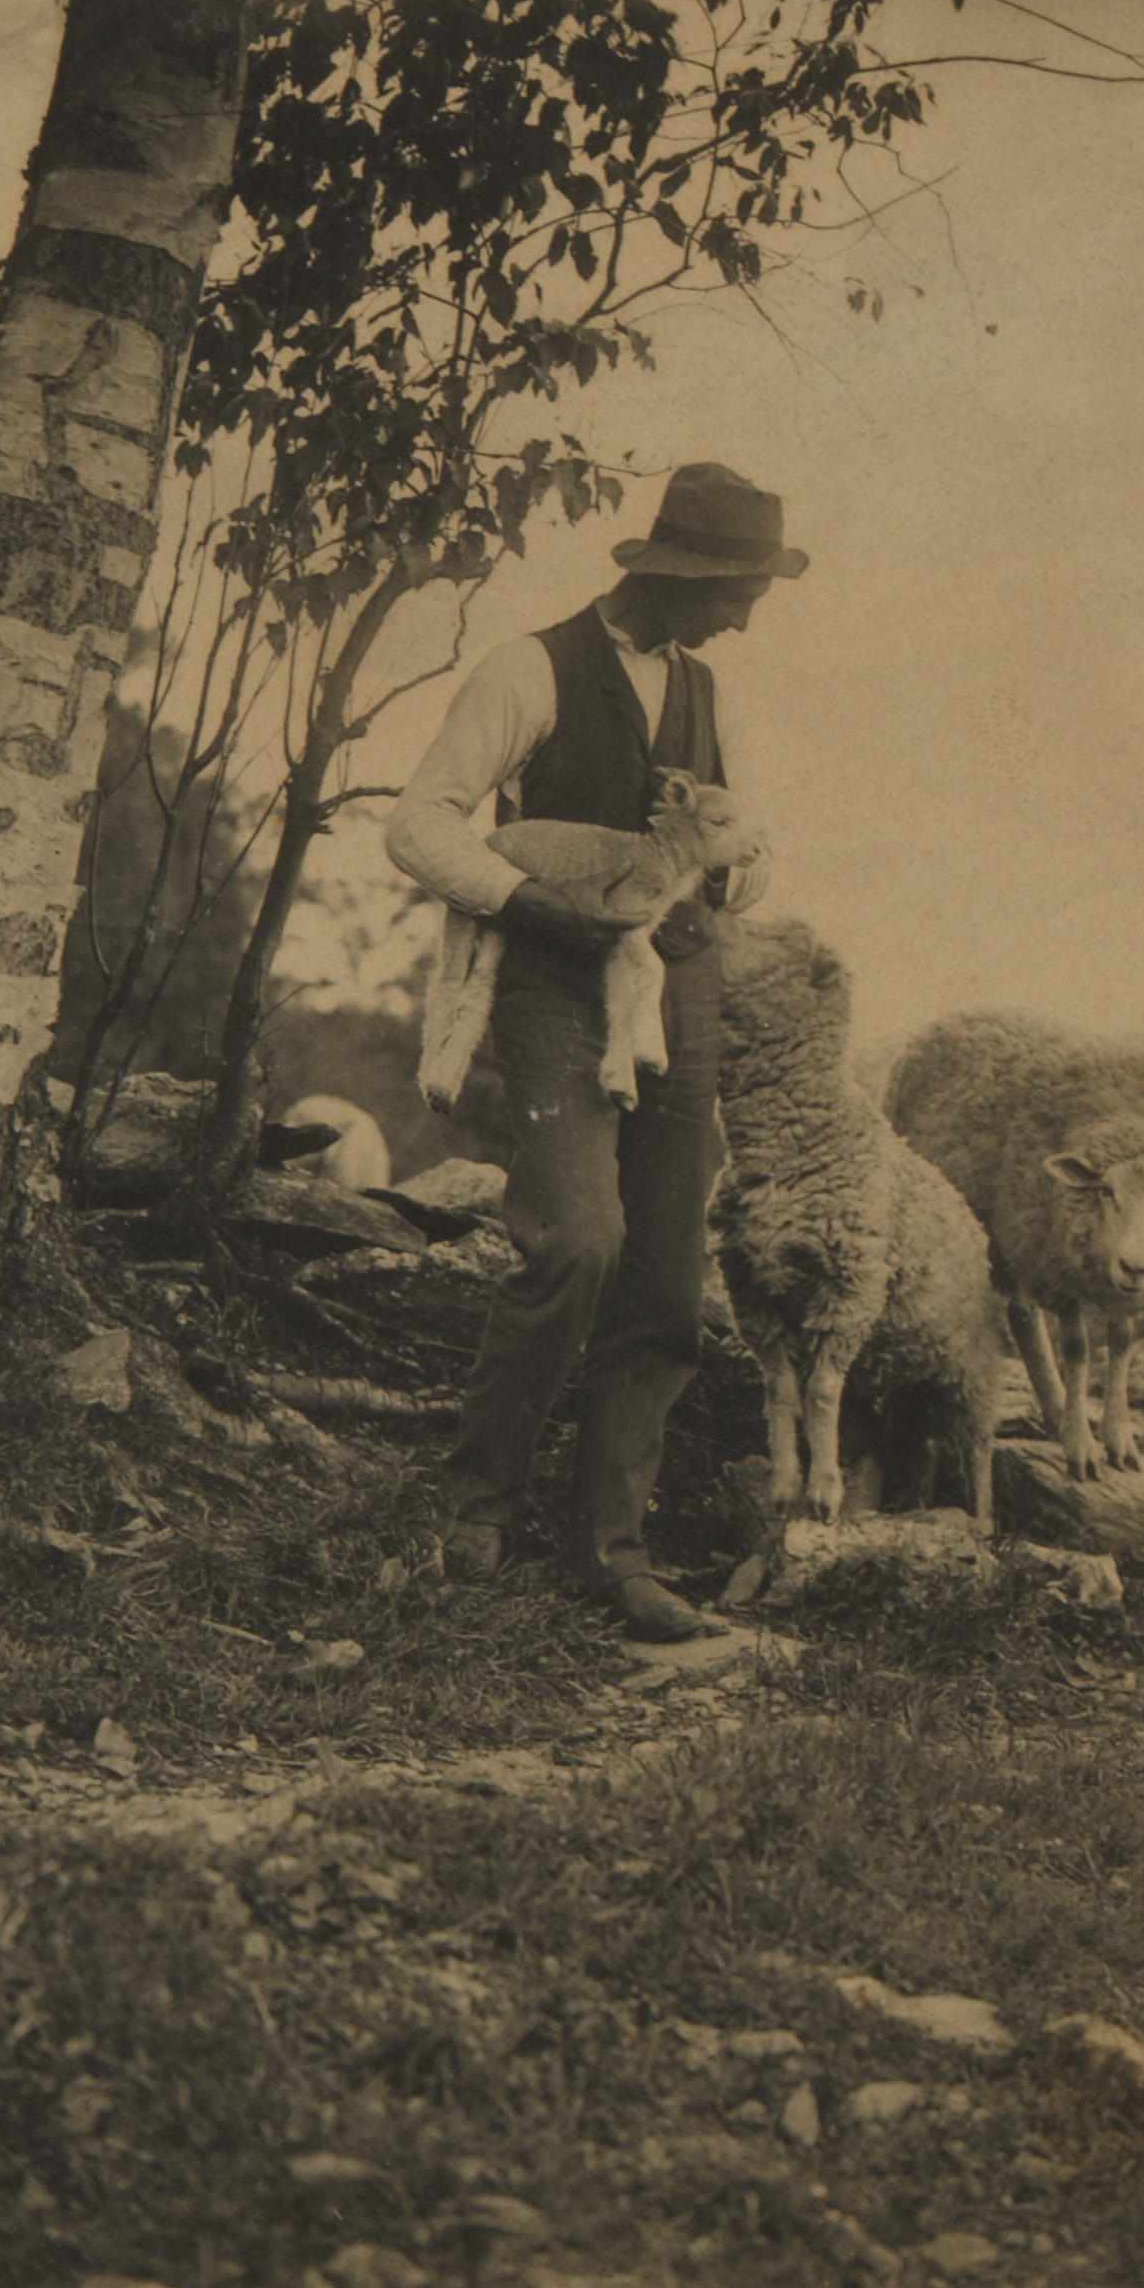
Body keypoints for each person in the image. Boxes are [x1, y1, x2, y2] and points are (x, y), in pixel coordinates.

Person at [386, 461, 806, 1639]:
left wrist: (723, 867)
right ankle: (474, 1503)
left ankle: (610, 1551)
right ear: (681, 578)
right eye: (737, 589)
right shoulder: (530, 669)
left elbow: (759, 853)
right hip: (554, 982)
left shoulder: (718, 696)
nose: (747, 613)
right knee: (579, 1236)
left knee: (668, 1274)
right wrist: (528, 900)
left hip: (679, 989)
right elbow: (418, 823)